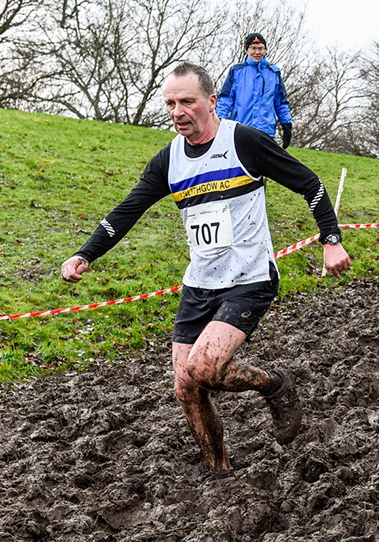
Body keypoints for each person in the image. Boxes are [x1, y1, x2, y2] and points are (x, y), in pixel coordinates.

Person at [60, 63, 351, 471]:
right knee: (186, 387)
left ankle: (274, 385)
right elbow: (128, 210)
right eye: (170, 103)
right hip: (200, 284)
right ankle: (219, 470)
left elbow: (311, 184)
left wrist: (330, 240)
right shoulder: (170, 159)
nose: (178, 111)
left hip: (249, 278)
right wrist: (84, 254)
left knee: (204, 368)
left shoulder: (243, 142)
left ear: (211, 102)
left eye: (187, 101)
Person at [216, 33, 293, 148]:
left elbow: (281, 102)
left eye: (261, 48)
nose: (257, 52)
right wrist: (218, 123)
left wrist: (286, 124)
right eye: (253, 48)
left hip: (266, 132)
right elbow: (225, 99)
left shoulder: (274, 72)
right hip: (240, 129)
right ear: (246, 50)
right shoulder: (236, 71)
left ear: (265, 51)